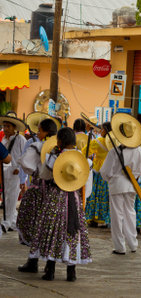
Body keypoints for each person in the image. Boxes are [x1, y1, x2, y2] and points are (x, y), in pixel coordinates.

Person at [32, 127, 91, 281]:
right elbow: (85, 180)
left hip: (56, 196)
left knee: (53, 230)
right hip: (74, 198)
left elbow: (44, 174)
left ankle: (50, 270)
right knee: (73, 231)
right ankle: (71, 272)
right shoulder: (81, 158)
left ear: (59, 141)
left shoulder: (55, 156)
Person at [16, 118, 58, 273]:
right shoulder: (61, 148)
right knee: (52, 229)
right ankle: (49, 264)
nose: (38, 133)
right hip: (57, 194)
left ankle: (33, 260)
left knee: (34, 224)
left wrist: (35, 172)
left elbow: (26, 164)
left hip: (39, 191)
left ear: (46, 132)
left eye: (40, 130)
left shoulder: (38, 146)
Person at [100, 114, 141, 255]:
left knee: (117, 215)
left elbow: (105, 172)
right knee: (130, 213)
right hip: (132, 185)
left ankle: (120, 247)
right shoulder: (140, 150)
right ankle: (133, 244)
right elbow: (140, 171)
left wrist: (112, 179)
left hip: (117, 185)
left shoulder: (114, 152)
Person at [0, 114, 27, 233]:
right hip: (5, 172)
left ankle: (6, 222)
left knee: (11, 198)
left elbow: (25, 156)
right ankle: (15, 222)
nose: (5, 129)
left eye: (8, 126)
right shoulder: (4, 139)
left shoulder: (20, 139)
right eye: (4, 126)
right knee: (6, 197)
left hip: (16, 173)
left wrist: (20, 169)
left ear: (14, 128)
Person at [82, 122, 112, 228]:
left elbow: (84, 151)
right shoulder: (114, 142)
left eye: (102, 129)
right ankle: (106, 219)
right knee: (107, 195)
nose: (100, 131)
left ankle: (94, 218)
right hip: (110, 171)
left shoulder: (98, 141)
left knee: (95, 194)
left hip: (99, 170)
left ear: (105, 130)